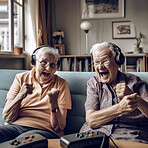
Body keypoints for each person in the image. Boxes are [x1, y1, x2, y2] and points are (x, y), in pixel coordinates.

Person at [0, 45, 71, 143]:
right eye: (43, 63)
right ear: (34, 62)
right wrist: (20, 95)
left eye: (52, 65)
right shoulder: (20, 78)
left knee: (21, 143)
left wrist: (53, 104)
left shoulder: (61, 84)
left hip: (45, 130)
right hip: (15, 127)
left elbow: (59, 127)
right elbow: (7, 117)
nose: (48, 68)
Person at [80, 42, 148, 144]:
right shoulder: (93, 83)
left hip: (130, 135)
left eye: (104, 61)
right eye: (96, 62)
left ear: (118, 62)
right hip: (96, 135)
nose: (100, 67)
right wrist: (120, 108)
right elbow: (91, 120)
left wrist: (133, 97)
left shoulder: (134, 81)